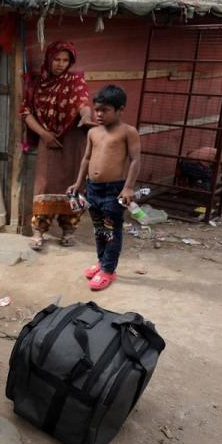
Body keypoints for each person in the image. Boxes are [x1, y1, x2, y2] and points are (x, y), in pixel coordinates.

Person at [20, 41, 97, 251]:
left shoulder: (75, 81)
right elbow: (25, 112)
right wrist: (44, 134)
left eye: (65, 60)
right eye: (57, 59)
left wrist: (85, 117)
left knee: (74, 186)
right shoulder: (37, 84)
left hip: (72, 140)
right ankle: (39, 231)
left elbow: (82, 102)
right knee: (44, 185)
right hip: (49, 140)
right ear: (49, 59)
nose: (61, 64)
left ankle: (69, 230)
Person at [67, 85, 142, 291]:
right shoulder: (92, 132)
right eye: (97, 109)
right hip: (93, 189)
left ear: (120, 110)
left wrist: (128, 188)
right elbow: (86, 158)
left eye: (105, 110)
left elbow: (135, 160)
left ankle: (108, 270)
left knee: (112, 230)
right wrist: (78, 182)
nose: (99, 114)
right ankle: (101, 262)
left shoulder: (128, 132)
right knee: (99, 229)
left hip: (114, 190)